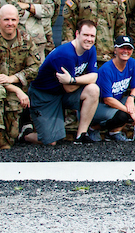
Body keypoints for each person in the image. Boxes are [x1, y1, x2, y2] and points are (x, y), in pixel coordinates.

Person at [25, 19, 102, 147]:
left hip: (62, 91)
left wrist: (73, 80)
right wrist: (76, 81)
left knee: (93, 90)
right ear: (77, 34)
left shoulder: (90, 49)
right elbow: (69, 89)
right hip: (45, 95)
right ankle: (26, 133)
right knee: (51, 142)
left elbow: (93, 77)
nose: (89, 39)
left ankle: (81, 135)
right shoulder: (65, 54)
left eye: (92, 36)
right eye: (86, 35)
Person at [0, 4, 41, 150]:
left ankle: (11, 133)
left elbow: (36, 68)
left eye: (13, 19)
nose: (10, 23)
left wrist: (13, 79)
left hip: (18, 89)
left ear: (18, 20)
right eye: (6, 19)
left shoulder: (26, 40)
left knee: (12, 138)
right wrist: (14, 88)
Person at [63, 0, 127, 65]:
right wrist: (69, 51)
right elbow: (68, 27)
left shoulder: (115, 0)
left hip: (107, 56)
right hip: (81, 55)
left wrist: (119, 52)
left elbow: (121, 29)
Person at [93, 36, 135, 142]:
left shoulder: (131, 63)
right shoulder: (106, 69)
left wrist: (131, 98)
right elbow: (107, 99)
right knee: (123, 114)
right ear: (115, 50)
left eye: (128, 49)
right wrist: (131, 113)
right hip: (99, 106)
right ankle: (93, 128)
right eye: (122, 48)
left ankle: (114, 132)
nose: (125, 51)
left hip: (115, 102)